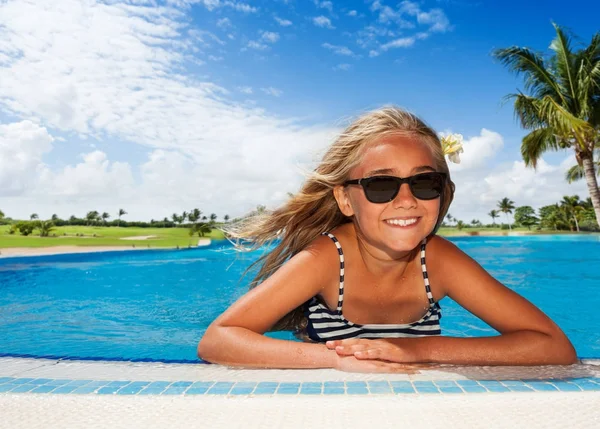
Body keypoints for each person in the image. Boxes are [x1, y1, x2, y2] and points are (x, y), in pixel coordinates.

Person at [197, 106, 577, 372]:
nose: (407, 200)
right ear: (345, 199)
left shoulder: (439, 261)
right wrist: (338, 360)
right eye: (381, 184)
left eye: (425, 182)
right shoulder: (326, 259)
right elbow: (218, 340)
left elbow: (553, 347)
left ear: (443, 192)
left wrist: (412, 351)